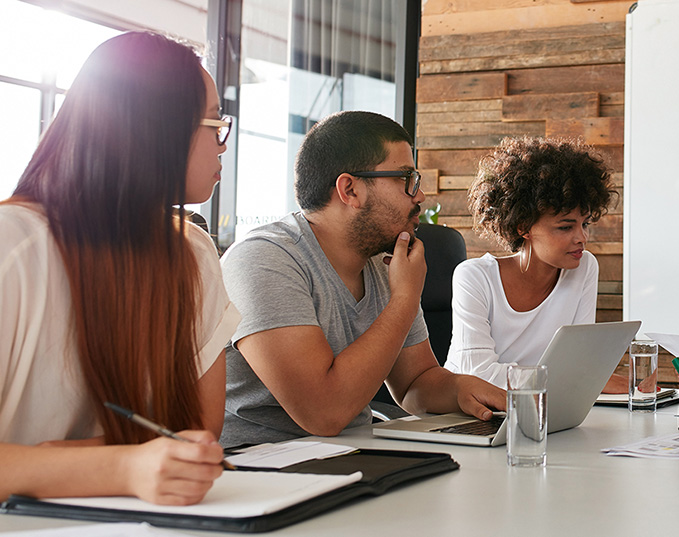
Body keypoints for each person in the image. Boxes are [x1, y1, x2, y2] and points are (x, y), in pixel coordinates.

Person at [0, 32, 238, 505]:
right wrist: (122, 466)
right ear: (158, 129)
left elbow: (198, 431)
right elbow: (167, 445)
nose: (222, 146)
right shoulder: (14, 246)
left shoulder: (192, 252)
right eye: (216, 126)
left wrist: (53, 460)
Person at [220, 110, 505, 447]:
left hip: (353, 458)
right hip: (260, 471)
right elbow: (324, 413)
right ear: (350, 189)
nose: (420, 196)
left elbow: (415, 382)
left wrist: (461, 389)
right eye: (406, 180)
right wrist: (404, 301)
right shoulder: (264, 259)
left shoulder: (383, 264)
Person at [444, 137, 630, 392]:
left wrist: (585, 378)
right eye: (566, 226)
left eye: (584, 224)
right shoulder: (475, 277)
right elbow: (479, 375)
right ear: (523, 227)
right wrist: (588, 380)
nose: (582, 238)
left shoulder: (584, 267)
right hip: (465, 414)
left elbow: (577, 364)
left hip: (540, 409)